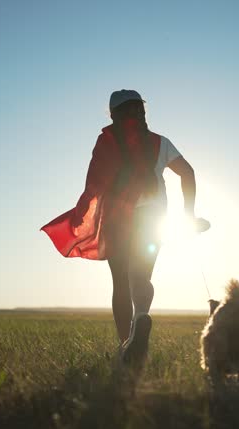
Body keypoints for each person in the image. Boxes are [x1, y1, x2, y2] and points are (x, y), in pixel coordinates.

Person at [41, 89, 207, 365]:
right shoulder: (159, 143)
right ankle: (141, 316)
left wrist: (87, 215)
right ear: (142, 111)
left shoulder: (106, 144)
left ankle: (125, 344)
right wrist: (188, 214)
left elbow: (94, 184)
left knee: (120, 282)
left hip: (118, 219)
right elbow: (187, 172)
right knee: (140, 277)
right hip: (153, 218)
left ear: (113, 114)